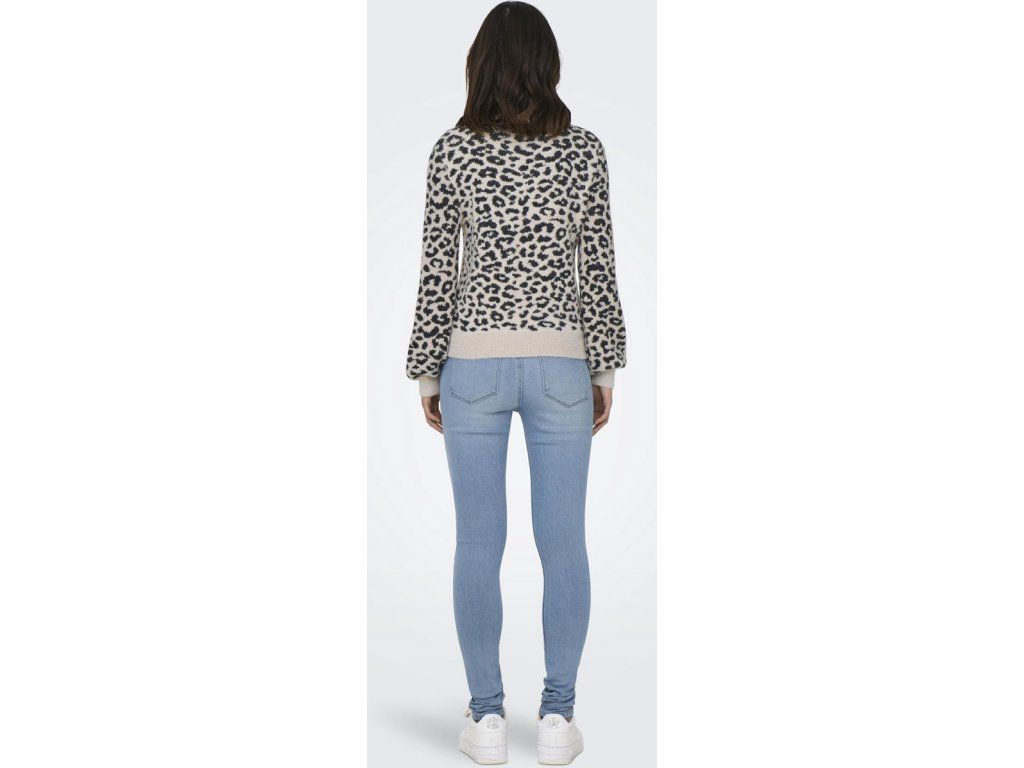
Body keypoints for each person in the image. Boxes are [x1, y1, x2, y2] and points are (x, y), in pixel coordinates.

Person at [405, 2, 626, 764]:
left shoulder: (452, 151)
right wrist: (602, 366)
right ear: (547, 64)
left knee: (478, 542)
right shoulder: (583, 152)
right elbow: (598, 267)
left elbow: (438, 270)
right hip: (563, 364)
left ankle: (487, 719)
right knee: (564, 544)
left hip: (472, 366)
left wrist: (427, 370)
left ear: (482, 64)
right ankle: (557, 719)